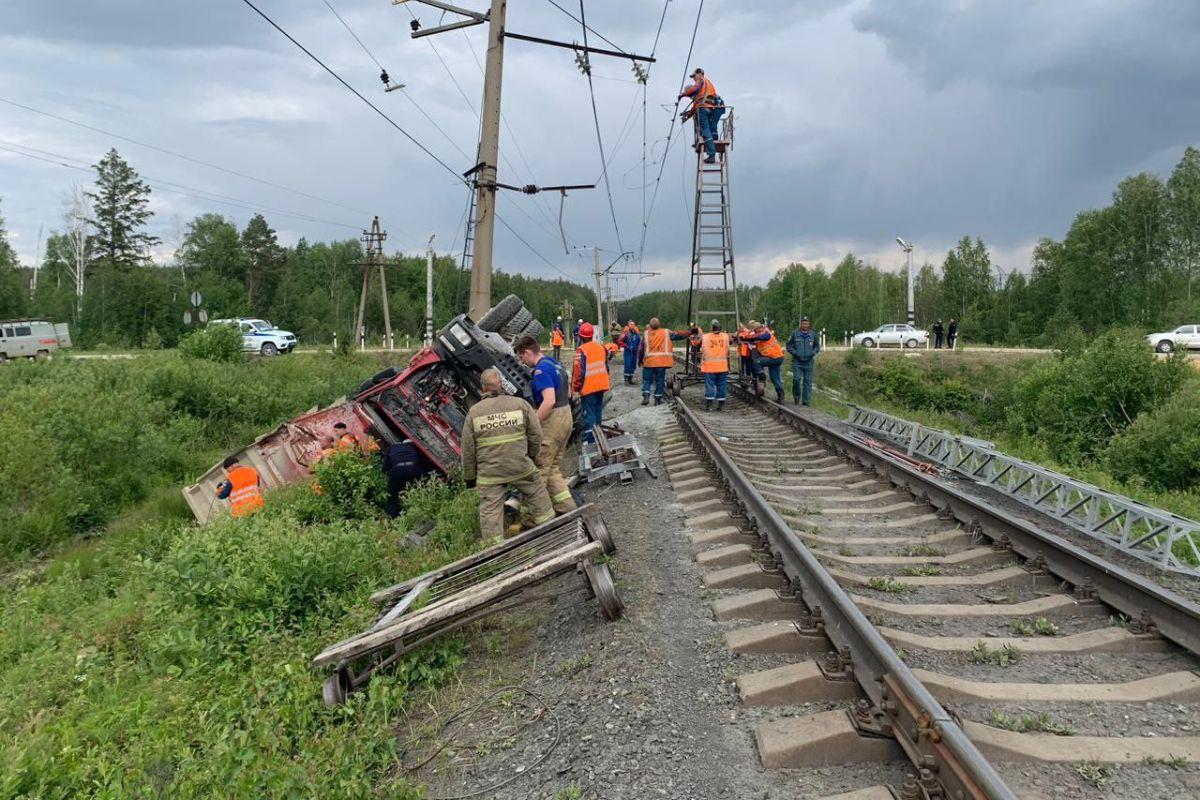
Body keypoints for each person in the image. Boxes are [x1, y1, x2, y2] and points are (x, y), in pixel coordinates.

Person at [461, 369, 555, 539]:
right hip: (520, 466)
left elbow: (468, 449)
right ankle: (551, 530)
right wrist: (531, 456)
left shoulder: (474, 412)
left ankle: (494, 550)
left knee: (490, 510)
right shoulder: (520, 405)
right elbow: (536, 435)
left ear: (483, 388)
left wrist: (470, 478)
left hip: (490, 475)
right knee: (537, 493)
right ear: (502, 385)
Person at [513, 335, 577, 516]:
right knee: (553, 466)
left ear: (527, 352)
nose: (522, 362)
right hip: (566, 415)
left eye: (521, 357)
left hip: (554, 419)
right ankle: (566, 507)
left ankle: (533, 516)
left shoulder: (541, 371)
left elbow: (548, 401)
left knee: (538, 468)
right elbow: (570, 391)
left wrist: (533, 422)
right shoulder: (553, 363)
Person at [572, 322, 610, 443]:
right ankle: (598, 435)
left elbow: (578, 372)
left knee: (589, 414)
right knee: (598, 410)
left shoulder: (581, 351)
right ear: (592, 335)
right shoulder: (601, 347)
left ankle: (590, 440)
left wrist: (576, 388)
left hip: (589, 388)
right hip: (601, 385)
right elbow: (606, 367)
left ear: (581, 336)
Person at [679, 68, 725, 164]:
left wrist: (682, 95)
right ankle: (713, 140)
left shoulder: (700, 82)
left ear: (700, 74)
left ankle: (711, 154)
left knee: (705, 129)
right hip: (710, 108)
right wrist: (687, 116)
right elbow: (695, 106)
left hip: (705, 108)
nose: (694, 78)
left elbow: (695, 92)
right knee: (711, 126)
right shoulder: (707, 85)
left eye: (694, 76)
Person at [740, 320, 786, 403]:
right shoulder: (762, 333)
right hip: (776, 357)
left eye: (755, 330)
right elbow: (755, 339)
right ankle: (781, 396)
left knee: (756, 362)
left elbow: (760, 337)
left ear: (758, 328)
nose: (755, 332)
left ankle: (762, 376)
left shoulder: (766, 333)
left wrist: (746, 337)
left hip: (774, 357)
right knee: (774, 378)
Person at [381, 439, 424, 519]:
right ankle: (419, 513)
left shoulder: (391, 448)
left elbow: (384, 468)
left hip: (397, 470)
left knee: (393, 498)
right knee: (419, 491)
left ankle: (393, 518)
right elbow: (421, 461)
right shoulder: (413, 447)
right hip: (413, 469)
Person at [638, 317, 675, 405]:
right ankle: (658, 399)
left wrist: (640, 360)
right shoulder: (665, 332)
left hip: (649, 362)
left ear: (650, 325)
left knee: (646, 380)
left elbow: (641, 349)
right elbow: (678, 335)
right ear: (659, 325)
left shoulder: (646, 334)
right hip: (661, 363)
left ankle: (646, 396)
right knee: (660, 380)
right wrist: (689, 332)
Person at [786, 316, 821, 406]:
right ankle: (797, 397)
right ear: (801, 324)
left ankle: (806, 402)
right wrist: (795, 353)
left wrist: (813, 353)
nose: (805, 325)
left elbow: (817, 346)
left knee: (808, 382)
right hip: (797, 362)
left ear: (809, 324)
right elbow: (788, 346)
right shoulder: (794, 334)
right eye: (803, 323)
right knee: (796, 379)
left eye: (807, 323)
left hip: (809, 362)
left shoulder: (813, 334)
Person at [700, 319, 731, 411]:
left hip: (710, 366)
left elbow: (701, 348)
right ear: (720, 328)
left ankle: (709, 405)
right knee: (722, 384)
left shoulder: (705, 337)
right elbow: (727, 349)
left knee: (710, 384)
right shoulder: (725, 337)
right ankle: (720, 405)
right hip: (722, 366)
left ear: (711, 328)